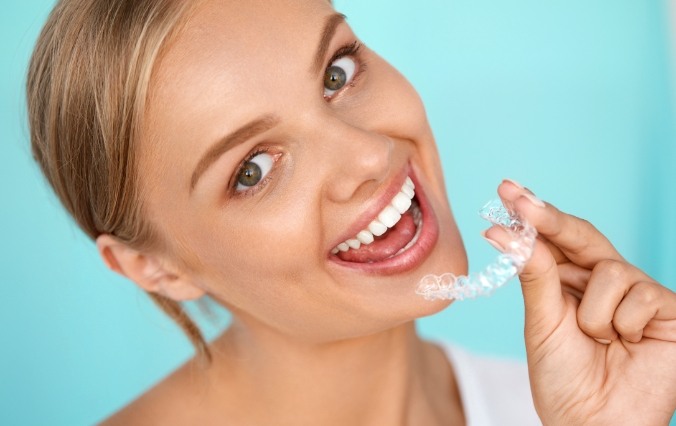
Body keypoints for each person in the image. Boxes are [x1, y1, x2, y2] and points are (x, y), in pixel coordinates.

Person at [26, 0, 676, 424]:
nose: (369, 154)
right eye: (252, 169)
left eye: (337, 73)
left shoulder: (566, 407)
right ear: (150, 266)